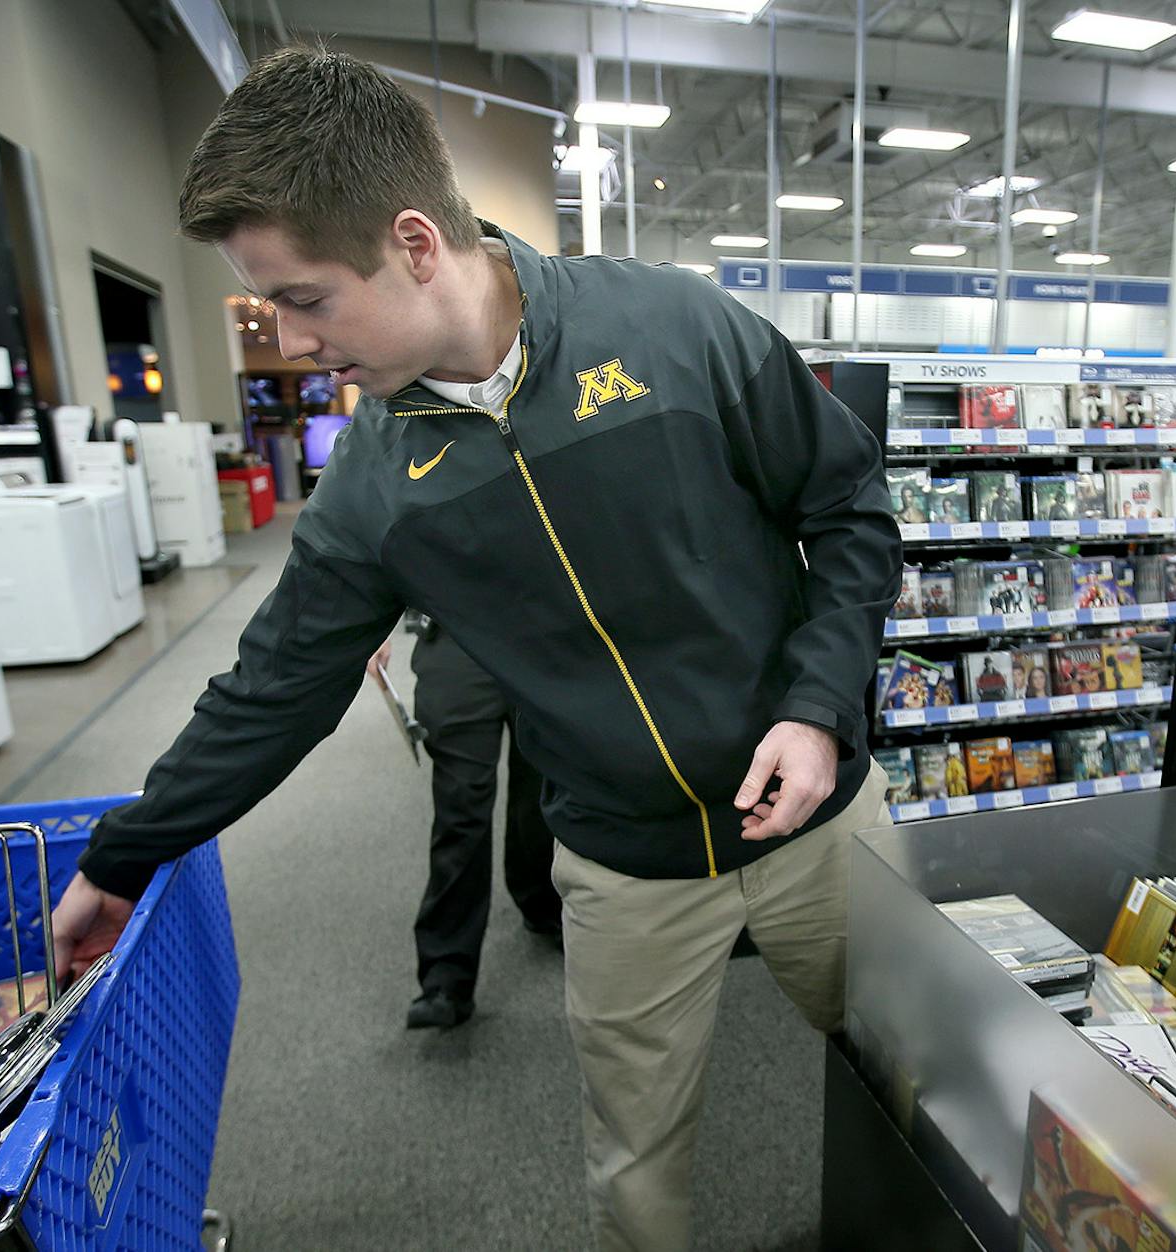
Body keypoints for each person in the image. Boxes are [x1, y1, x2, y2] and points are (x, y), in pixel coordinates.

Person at [48, 47, 900, 1252]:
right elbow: (275, 688)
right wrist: (124, 856)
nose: (290, 341)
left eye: (303, 298)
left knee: (918, 1095)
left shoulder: (674, 330)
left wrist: (819, 709)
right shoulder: (376, 484)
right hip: (621, 868)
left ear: (411, 242)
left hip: (823, 828)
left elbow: (852, 507)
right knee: (636, 1180)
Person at [371, 612, 561, 1030]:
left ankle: (542, 901)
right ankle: (447, 975)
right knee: (460, 810)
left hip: (544, 636)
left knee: (542, 797)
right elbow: (384, 544)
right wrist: (369, 623)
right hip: (456, 631)